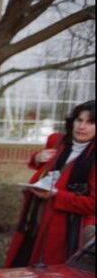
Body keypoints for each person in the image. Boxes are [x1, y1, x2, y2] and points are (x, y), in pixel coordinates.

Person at [6, 100, 95, 267]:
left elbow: (92, 204)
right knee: (22, 266)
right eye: (79, 120)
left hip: (68, 230)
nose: (82, 126)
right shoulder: (57, 140)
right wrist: (38, 158)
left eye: (91, 122)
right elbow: (48, 167)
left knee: (52, 274)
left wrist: (57, 195)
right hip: (35, 218)